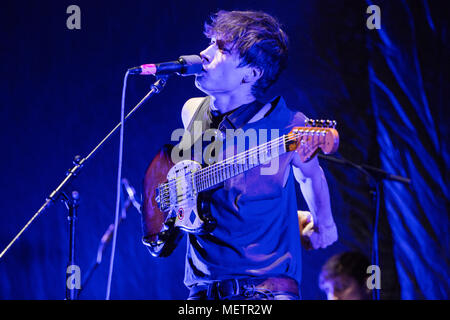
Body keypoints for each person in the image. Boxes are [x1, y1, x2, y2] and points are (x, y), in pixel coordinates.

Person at [142, 10, 338, 300]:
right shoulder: (191, 111)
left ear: (252, 73)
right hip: (201, 292)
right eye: (209, 42)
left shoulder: (288, 125)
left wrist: (325, 225)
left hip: (265, 292)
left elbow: (310, 175)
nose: (204, 53)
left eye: (221, 48)